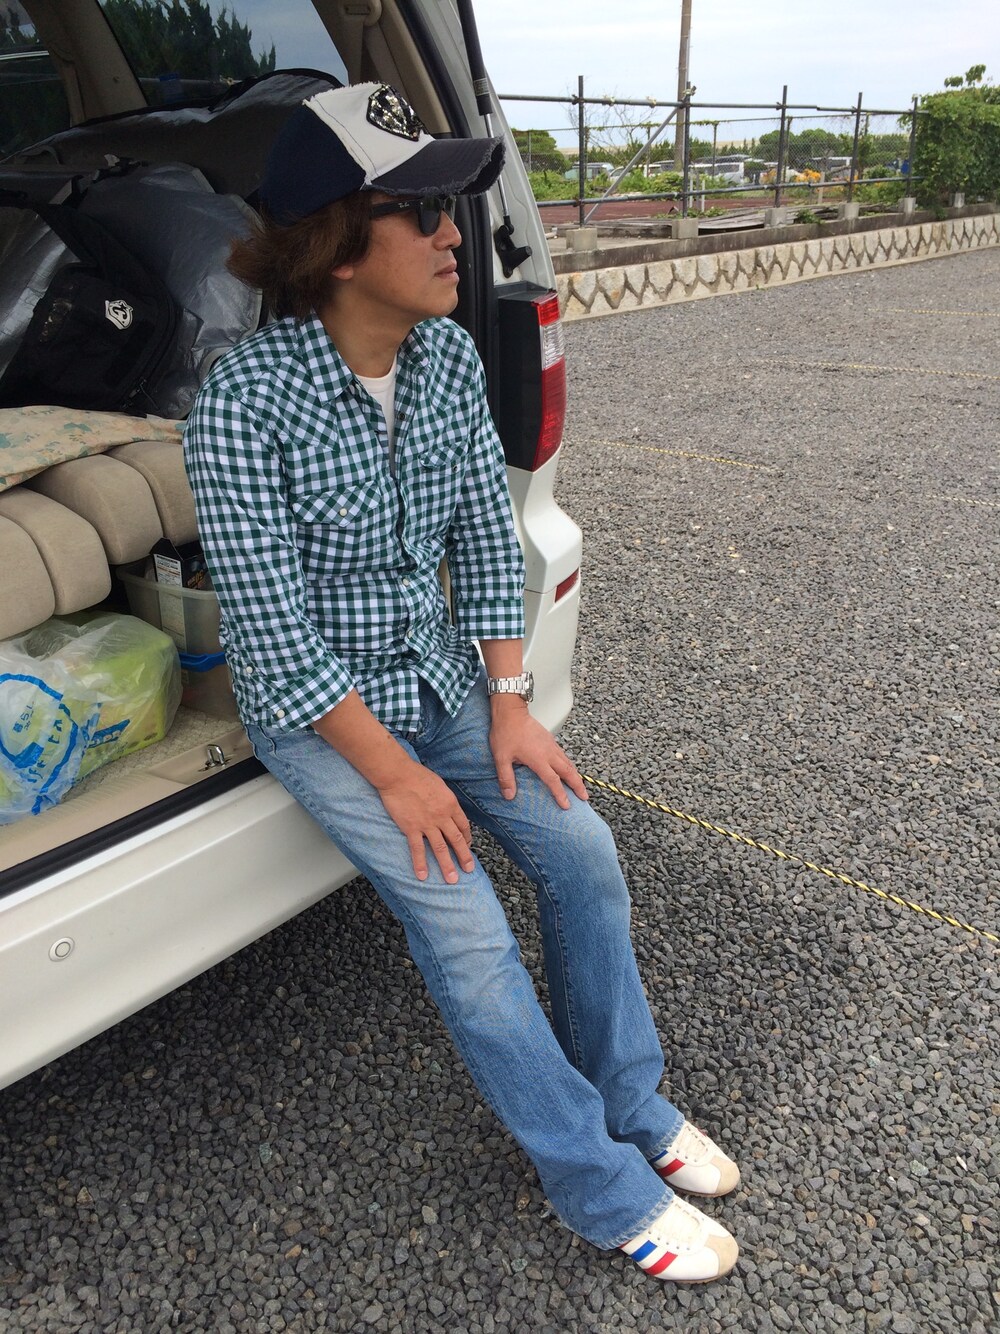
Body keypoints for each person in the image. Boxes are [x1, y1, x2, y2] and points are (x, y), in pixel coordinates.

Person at [184, 82, 740, 1285]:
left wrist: (508, 700)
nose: (455, 237)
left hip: (440, 677)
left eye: (450, 210)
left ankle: (631, 1102)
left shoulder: (441, 354)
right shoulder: (240, 403)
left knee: (584, 851)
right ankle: (597, 1185)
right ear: (336, 246)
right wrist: (395, 775)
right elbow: (271, 636)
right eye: (422, 212)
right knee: (471, 938)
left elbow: (488, 537)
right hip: (327, 717)